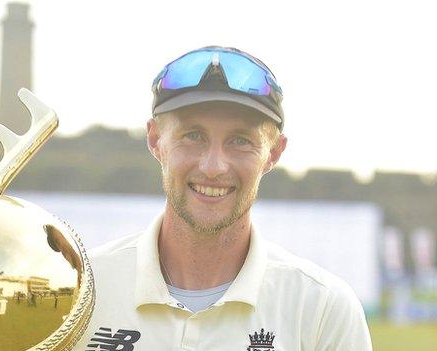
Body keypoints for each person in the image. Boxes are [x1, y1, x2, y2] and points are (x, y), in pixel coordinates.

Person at [75, 46, 372, 350]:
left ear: (273, 153)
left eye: (240, 141)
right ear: (155, 140)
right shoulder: (79, 291)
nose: (213, 167)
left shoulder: (323, 309)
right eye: (193, 136)